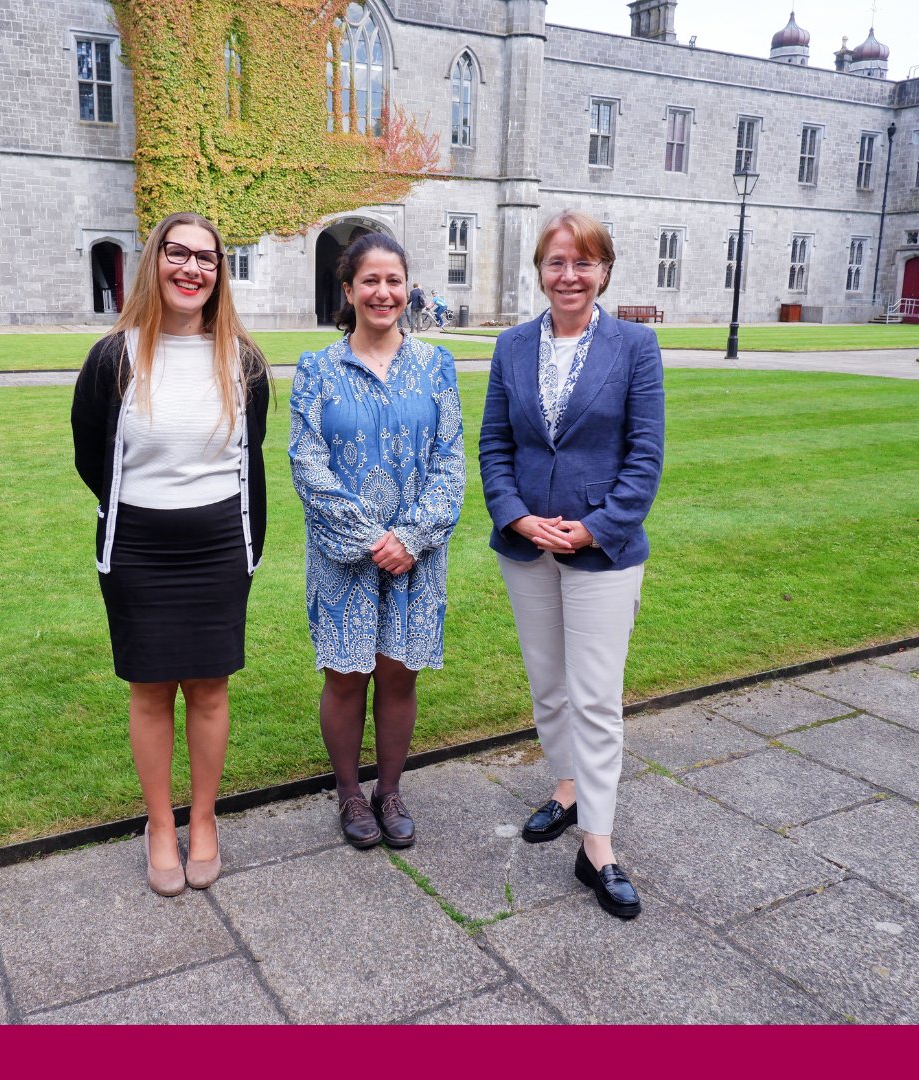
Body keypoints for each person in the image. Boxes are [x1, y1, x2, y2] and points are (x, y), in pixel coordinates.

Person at [71, 211, 271, 896]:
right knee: (151, 691)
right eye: (177, 255)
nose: (192, 269)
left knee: (210, 691)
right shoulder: (113, 357)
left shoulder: (243, 360)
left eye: (207, 259)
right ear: (154, 262)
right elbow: (90, 456)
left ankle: (205, 820)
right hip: (138, 550)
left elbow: (252, 460)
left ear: (219, 274)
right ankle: (161, 824)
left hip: (217, 544)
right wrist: (146, 516)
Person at [479, 210, 664, 919]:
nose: (569, 276)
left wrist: (593, 530)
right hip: (527, 547)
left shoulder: (634, 347)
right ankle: (565, 787)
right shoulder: (512, 346)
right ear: (540, 271)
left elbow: (644, 457)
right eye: (557, 263)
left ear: (604, 271)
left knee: (594, 697)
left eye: (583, 263)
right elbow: (495, 445)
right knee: (549, 685)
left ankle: (599, 846)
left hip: (602, 553)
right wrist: (517, 516)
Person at [289, 233, 465, 850]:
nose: (383, 292)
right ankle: (348, 794)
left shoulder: (436, 365)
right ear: (350, 290)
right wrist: (371, 539)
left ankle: (389, 789)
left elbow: (450, 464)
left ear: (407, 288)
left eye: (394, 281)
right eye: (370, 281)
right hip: (345, 558)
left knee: (398, 677)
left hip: (415, 559)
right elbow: (307, 464)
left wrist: (411, 537)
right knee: (345, 677)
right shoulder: (317, 369)